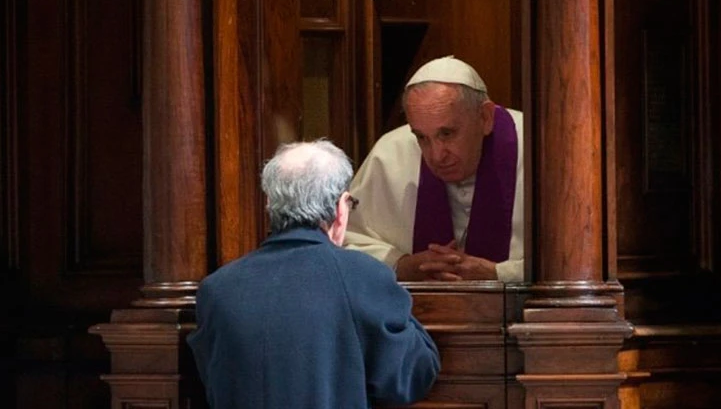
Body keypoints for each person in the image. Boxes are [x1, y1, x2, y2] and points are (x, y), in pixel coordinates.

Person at [187, 139, 440, 409]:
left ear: (270, 202)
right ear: (341, 208)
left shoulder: (217, 289)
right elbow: (409, 378)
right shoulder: (364, 276)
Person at [345, 56, 524, 282]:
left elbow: (573, 261)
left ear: (485, 117)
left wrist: (498, 274)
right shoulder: (390, 154)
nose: (436, 155)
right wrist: (402, 266)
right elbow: (346, 246)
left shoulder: (536, 147)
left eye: (447, 134)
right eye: (421, 137)